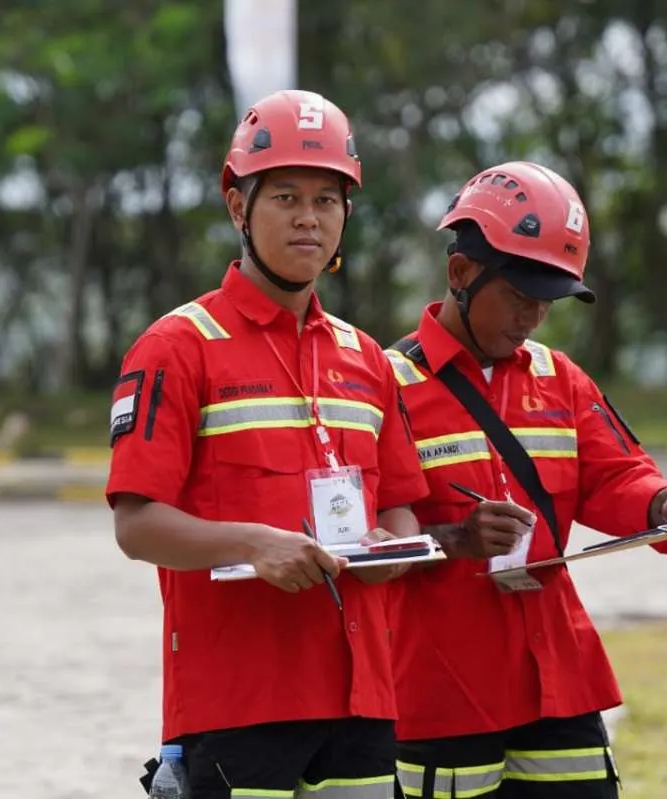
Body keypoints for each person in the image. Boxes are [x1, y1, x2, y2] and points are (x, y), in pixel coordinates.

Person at [106, 89, 429, 799]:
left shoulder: (367, 359)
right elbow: (136, 525)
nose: (309, 218)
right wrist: (255, 544)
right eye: (284, 196)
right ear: (237, 208)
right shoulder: (177, 347)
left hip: (364, 700)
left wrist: (385, 552)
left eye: (328, 199)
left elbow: (405, 509)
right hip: (238, 707)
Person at [383, 161, 667, 798]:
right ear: (460, 274)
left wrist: (665, 503)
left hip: (559, 679)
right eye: (520, 295)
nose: (534, 317)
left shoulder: (560, 377)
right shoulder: (386, 385)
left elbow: (615, 475)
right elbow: (370, 536)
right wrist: (452, 536)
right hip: (443, 691)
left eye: (547, 300)